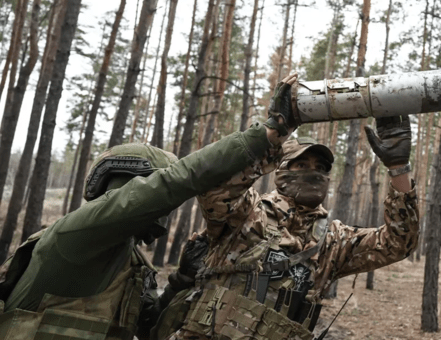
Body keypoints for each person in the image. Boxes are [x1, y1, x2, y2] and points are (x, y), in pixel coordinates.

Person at [0, 75, 301, 340]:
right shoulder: (73, 236)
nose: (163, 211)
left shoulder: (132, 264)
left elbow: (148, 328)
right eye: (151, 195)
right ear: (127, 185)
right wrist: (266, 135)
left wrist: (181, 279)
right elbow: (174, 183)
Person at [155, 115, 419, 340]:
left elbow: (398, 242)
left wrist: (398, 169)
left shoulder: (334, 240)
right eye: (301, 165)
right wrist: (271, 137)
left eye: (320, 168)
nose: (312, 172)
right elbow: (214, 189)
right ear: (280, 172)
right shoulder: (247, 211)